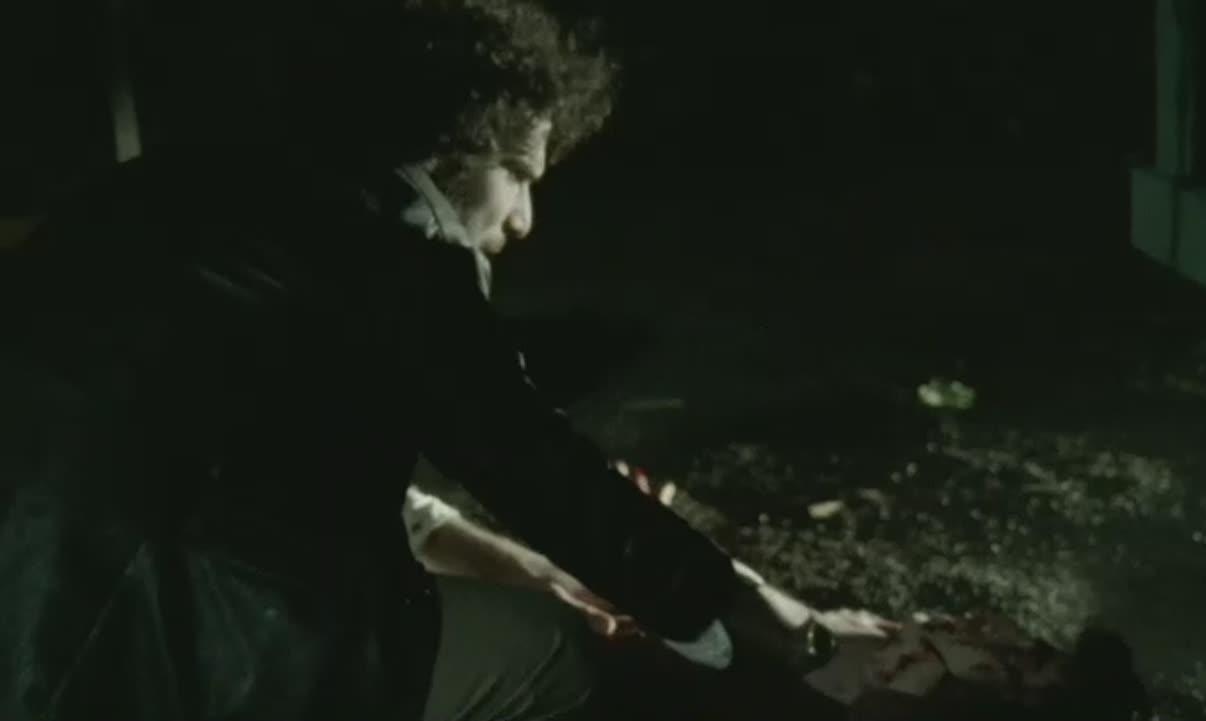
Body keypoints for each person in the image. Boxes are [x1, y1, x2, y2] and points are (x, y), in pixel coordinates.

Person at [0, 1, 882, 720]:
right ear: (448, 139)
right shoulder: (396, 251)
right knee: (546, 655)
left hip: (25, 626)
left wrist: (528, 567)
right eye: (517, 172)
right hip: (170, 662)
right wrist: (782, 627)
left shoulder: (169, 191)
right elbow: (539, 469)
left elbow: (269, 476)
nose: (524, 218)